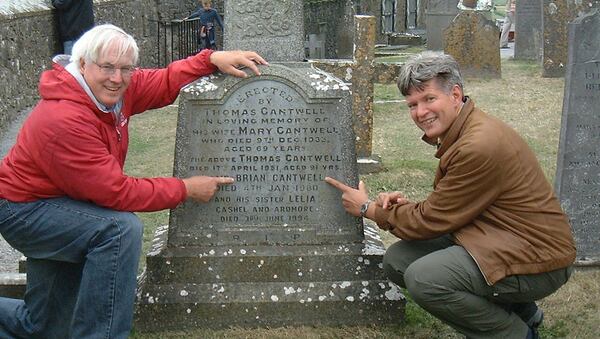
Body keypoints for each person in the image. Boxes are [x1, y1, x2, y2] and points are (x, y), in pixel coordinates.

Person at [0, 24, 266, 338]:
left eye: (126, 69)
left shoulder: (110, 92)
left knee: (42, 327)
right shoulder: (64, 119)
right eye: (108, 67)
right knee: (119, 230)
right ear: (83, 64)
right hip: (25, 211)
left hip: (65, 202)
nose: (117, 78)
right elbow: (116, 192)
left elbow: (164, 80)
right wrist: (185, 188)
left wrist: (211, 59)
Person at [325, 51, 575, 339]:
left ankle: (517, 334)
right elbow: (449, 207)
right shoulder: (466, 129)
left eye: (429, 99)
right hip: (498, 235)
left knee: (425, 279)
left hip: (539, 256)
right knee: (398, 261)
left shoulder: (478, 144)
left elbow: (431, 220)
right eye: (412, 105)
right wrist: (401, 209)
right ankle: (523, 311)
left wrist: (368, 208)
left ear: (455, 95)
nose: (420, 113)